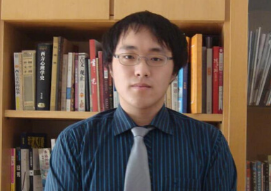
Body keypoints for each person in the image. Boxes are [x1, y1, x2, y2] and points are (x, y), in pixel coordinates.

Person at [45, 11, 237, 191]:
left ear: (174, 72)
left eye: (155, 58)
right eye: (129, 56)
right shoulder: (74, 142)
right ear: (110, 68)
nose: (141, 70)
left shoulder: (209, 143)